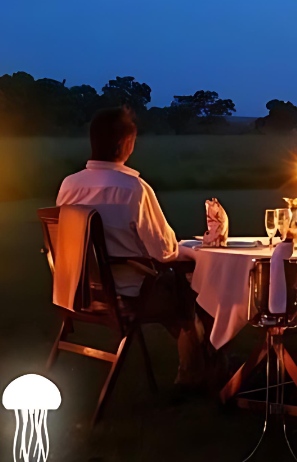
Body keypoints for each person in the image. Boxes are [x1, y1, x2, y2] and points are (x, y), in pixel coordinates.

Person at [55, 106, 206, 383]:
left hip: (78, 294)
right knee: (197, 293)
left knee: (178, 297)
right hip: (128, 296)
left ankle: (203, 365)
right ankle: (198, 375)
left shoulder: (69, 185)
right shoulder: (133, 189)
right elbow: (163, 251)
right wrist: (191, 250)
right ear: (125, 143)